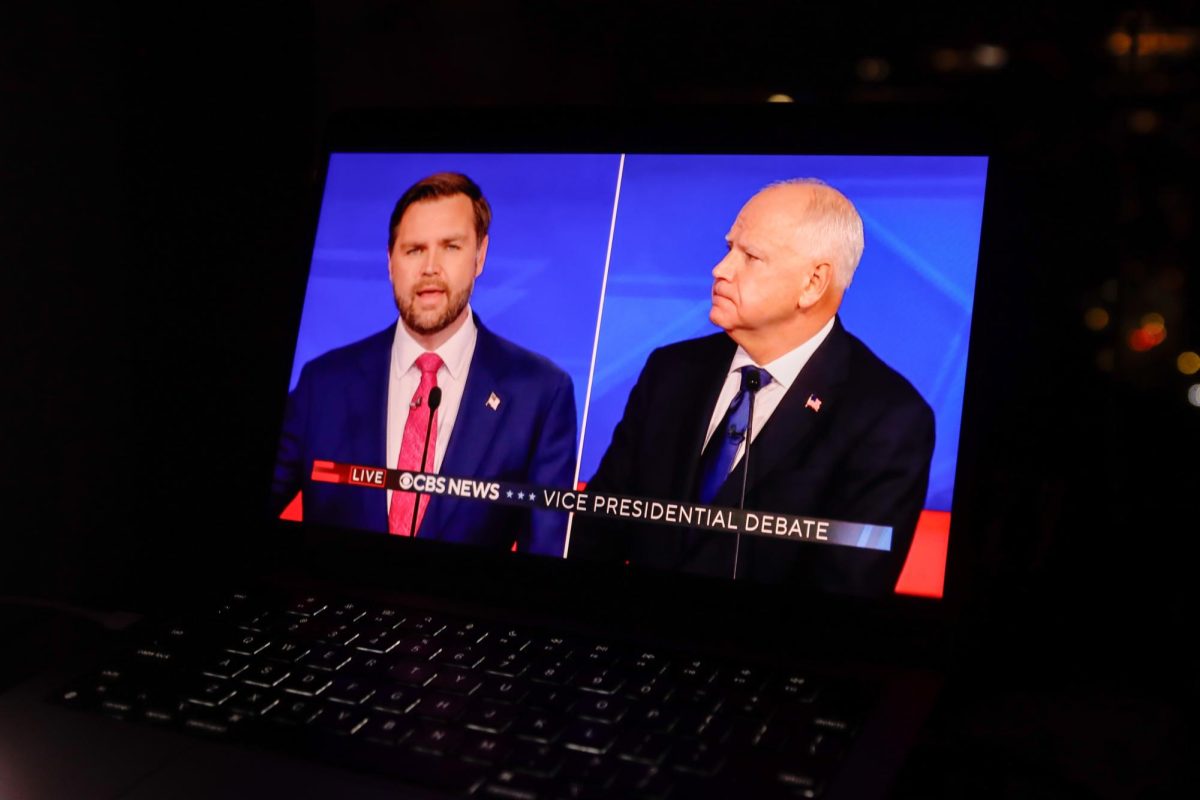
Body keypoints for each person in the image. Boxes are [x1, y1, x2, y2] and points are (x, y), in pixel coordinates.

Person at [567, 178, 934, 596]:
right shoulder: (671, 371)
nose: (720, 269)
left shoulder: (888, 419)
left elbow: (843, 599)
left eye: (751, 255)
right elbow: (598, 529)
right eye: (729, 249)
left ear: (813, 282)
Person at [272, 172, 576, 556]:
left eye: (450, 247)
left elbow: (544, 563)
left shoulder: (540, 394)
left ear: (479, 255)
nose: (430, 267)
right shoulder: (323, 384)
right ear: (390, 261)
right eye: (414, 249)